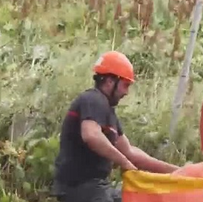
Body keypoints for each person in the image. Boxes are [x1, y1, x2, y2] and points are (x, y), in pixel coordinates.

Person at [51, 51, 181, 202]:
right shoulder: (93, 99)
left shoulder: (108, 112)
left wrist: (178, 172)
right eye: (125, 85)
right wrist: (124, 162)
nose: (126, 92)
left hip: (99, 186)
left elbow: (130, 152)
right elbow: (91, 135)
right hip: (80, 186)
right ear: (110, 81)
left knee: (139, 197)